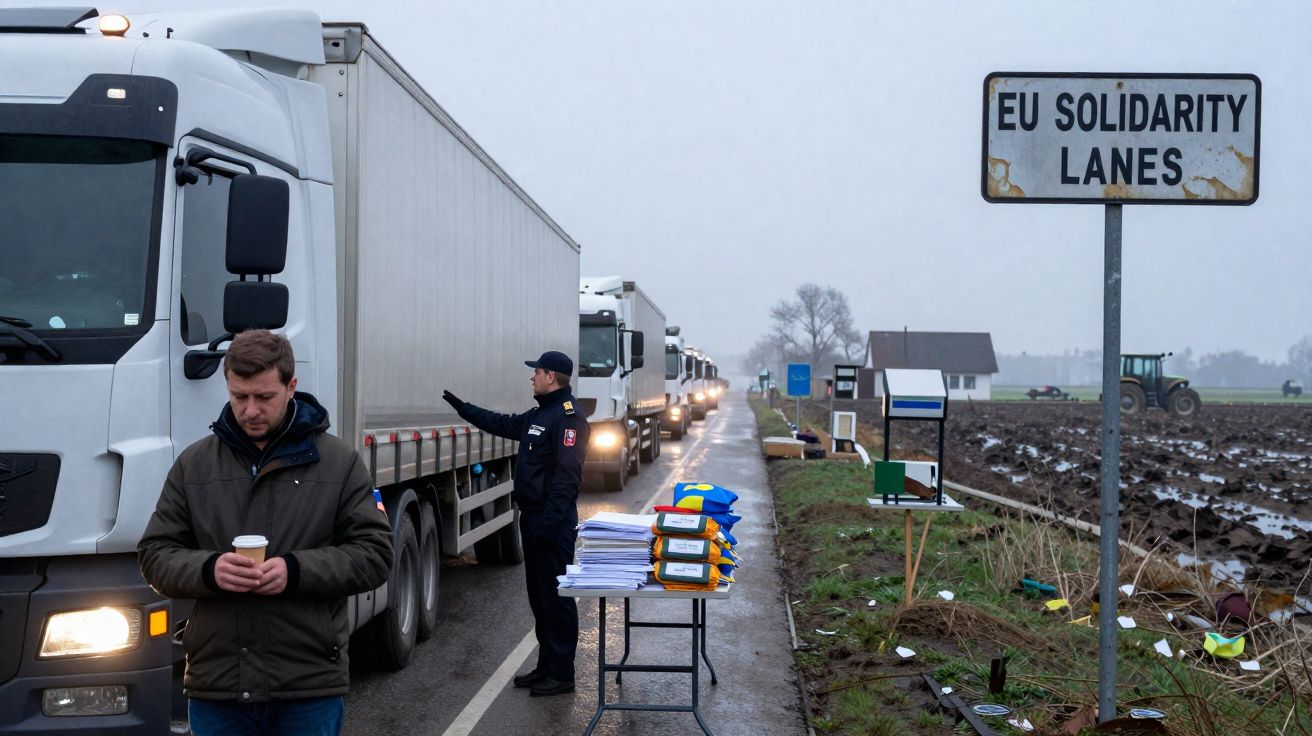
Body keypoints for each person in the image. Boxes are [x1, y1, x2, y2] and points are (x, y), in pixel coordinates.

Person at [138, 330, 392, 736]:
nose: (250, 410)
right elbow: (155, 554)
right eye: (239, 397)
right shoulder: (194, 465)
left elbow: (375, 554)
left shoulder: (339, 463)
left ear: (291, 387)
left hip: (306, 686)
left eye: (264, 397)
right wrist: (209, 570)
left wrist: (295, 571)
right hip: (217, 686)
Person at [442, 350, 589, 696]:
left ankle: (562, 673)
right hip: (534, 518)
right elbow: (502, 423)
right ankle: (546, 666)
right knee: (539, 598)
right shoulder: (542, 414)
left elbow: (568, 478)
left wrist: (549, 527)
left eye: (536, 372)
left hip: (550, 523)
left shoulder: (568, 418)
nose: (531, 377)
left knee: (556, 599)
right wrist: (463, 408)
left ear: (551, 376)